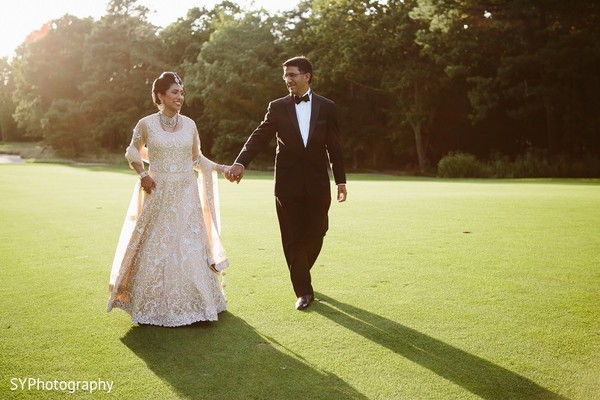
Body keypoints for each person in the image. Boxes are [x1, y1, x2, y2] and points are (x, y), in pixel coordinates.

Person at [107, 72, 230, 326]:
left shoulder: (190, 125)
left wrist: (222, 168)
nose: (180, 97)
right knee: (157, 247)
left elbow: (196, 159)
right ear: (160, 95)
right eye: (174, 92)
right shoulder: (146, 124)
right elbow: (132, 150)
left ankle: (198, 306)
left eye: (182, 93)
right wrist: (142, 174)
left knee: (189, 248)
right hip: (159, 193)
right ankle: (152, 307)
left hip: (186, 195)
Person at [226, 56, 347, 311]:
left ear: (307, 76)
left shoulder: (327, 107)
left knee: (318, 231)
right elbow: (259, 137)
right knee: (292, 237)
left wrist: (341, 181)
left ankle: (301, 270)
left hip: (317, 183)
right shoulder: (277, 107)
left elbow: (334, 147)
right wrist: (240, 162)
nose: (287, 80)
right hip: (287, 184)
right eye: (285, 76)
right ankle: (303, 290)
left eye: (292, 75)